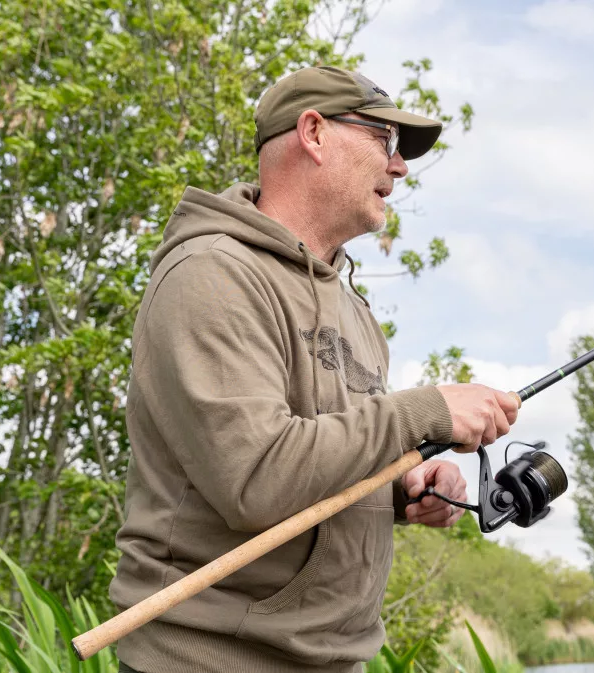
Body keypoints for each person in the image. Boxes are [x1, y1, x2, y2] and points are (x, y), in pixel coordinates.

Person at [108, 65, 521, 673]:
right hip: (210, 661)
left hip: (333, 661)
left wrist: (404, 488)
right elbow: (257, 480)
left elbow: (327, 458)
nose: (400, 167)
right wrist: (425, 411)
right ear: (314, 133)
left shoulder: (355, 312)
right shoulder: (211, 274)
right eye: (385, 139)